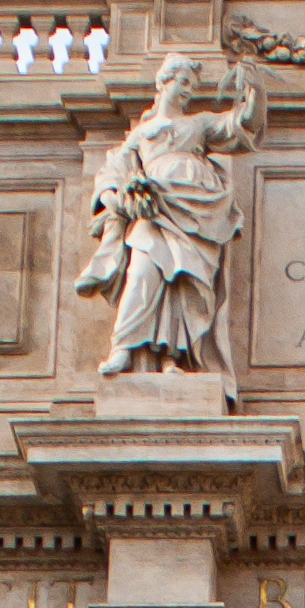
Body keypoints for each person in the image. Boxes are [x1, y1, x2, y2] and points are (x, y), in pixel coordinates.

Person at [78, 56, 264, 378]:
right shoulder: (139, 134)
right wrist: (121, 198)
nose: (188, 90)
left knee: (182, 281)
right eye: (183, 81)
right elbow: (112, 174)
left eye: (192, 85)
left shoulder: (198, 125)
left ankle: (172, 358)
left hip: (196, 212)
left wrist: (254, 90)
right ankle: (123, 348)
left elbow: (242, 123)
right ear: (163, 81)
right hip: (154, 209)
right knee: (142, 272)